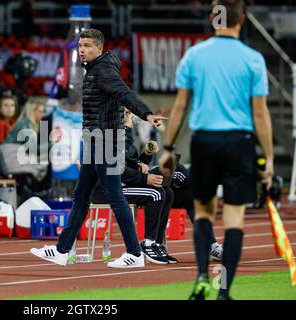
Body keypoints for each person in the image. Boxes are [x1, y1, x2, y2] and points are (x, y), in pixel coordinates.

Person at [159, 0, 273, 300]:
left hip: (205, 142)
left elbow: (181, 106)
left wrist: (168, 147)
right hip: (239, 143)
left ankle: (200, 278)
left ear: (213, 18)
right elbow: (260, 114)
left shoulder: (194, 56)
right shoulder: (253, 59)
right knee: (233, 219)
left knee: (204, 214)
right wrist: (270, 158)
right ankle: (223, 291)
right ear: (242, 19)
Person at [30, 28, 166, 268]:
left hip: (105, 142)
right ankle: (62, 251)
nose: (82, 50)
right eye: (80, 46)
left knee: (115, 197)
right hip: (95, 143)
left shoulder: (103, 70)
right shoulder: (95, 70)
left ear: (99, 48)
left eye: (87, 46)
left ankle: (134, 254)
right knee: (81, 197)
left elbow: (126, 94)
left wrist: (146, 114)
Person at [91, 108, 177, 265]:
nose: (132, 117)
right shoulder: (110, 133)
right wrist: (145, 179)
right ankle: (149, 244)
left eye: (131, 114)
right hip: (105, 189)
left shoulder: (125, 134)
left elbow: (130, 163)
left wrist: (145, 156)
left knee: (167, 191)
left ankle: (156, 243)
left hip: (121, 184)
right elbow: (116, 169)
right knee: (157, 193)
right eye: (129, 114)